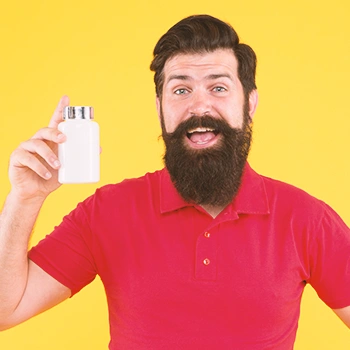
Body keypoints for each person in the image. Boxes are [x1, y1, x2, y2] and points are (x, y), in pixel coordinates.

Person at [0, 14, 349, 350]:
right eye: (181, 90)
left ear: (250, 103)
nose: (199, 106)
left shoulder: (306, 219)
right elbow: (6, 309)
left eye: (218, 87)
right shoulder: (107, 212)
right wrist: (25, 198)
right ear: (159, 107)